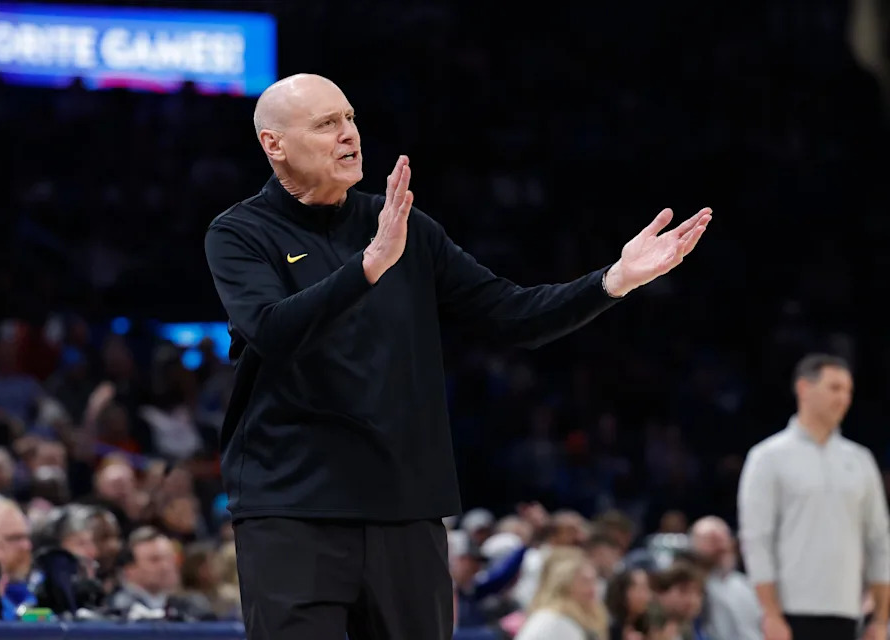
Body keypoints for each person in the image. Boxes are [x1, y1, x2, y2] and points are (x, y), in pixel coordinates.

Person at [204, 72, 712, 640]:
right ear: (273, 144)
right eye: (327, 124)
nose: (349, 135)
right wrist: (368, 266)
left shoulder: (404, 227)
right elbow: (271, 330)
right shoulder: (240, 232)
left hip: (404, 503)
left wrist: (613, 280)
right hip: (292, 506)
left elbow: (513, 314)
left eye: (350, 119)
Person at [737, 354, 890, 640]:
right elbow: (757, 540)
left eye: (848, 391)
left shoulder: (860, 460)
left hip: (848, 612)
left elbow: (879, 541)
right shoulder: (768, 457)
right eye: (834, 388)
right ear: (804, 389)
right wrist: (770, 613)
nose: (843, 398)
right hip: (790, 612)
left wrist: (881, 619)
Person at [688, 516, 761, 640]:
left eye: (723, 539)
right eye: (711, 540)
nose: (720, 546)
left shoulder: (747, 586)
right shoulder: (690, 590)